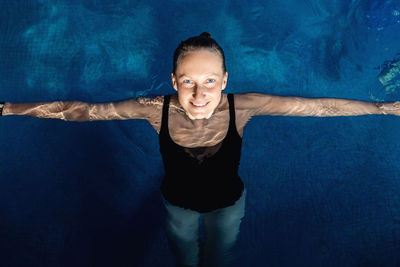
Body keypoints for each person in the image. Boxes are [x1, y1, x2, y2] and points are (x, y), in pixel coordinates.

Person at [1, 32, 400, 267]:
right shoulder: (153, 110)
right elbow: (82, 112)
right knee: (184, 256)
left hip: (229, 204)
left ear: (224, 80)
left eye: (209, 81)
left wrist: (383, 108)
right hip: (177, 205)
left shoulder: (242, 107)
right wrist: (6, 108)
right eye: (188, 81)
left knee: (217, 257)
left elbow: (316, 108)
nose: (198, 93)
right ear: (174, 81)